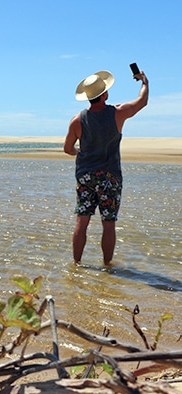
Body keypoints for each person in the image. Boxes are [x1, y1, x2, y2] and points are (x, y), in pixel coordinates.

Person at [64, 68, 149, 266]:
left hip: (85, 176)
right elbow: (142, 102)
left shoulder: (77, 120)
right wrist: (144, 81)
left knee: (82, 220)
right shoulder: (117, 113)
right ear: (105, 94)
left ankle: (76, 264)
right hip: (110, 176)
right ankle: (107, 265)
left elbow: (68, 149)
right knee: (108, 224)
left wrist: (81, 152)